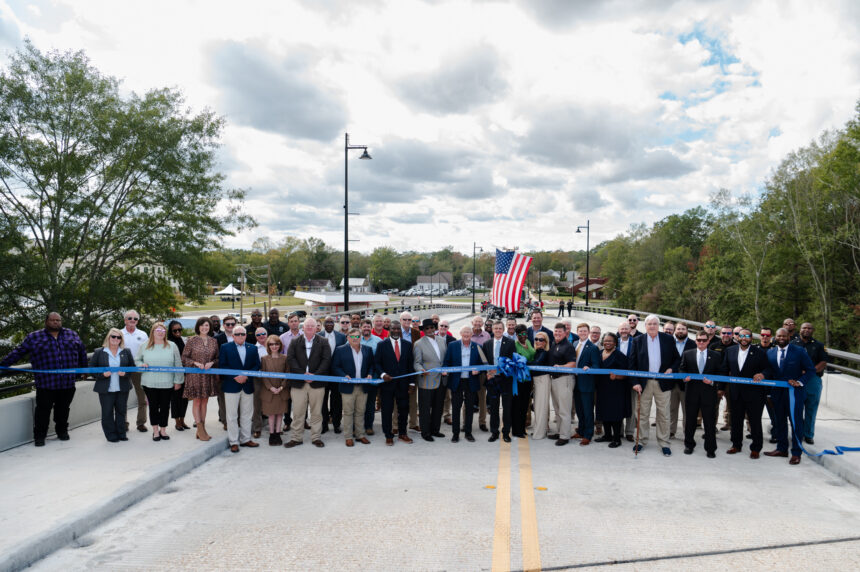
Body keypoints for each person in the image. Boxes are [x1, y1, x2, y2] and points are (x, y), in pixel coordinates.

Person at [1, 312, 88, 446]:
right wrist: (3, 365)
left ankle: (62, 432)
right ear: (46, 321)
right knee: (42, 411)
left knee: (63, 410)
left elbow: (82, 352)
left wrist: (84, 370)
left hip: (67, 382)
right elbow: (18, 352)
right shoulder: (34, 337)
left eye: (58, 320)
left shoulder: (72, 334)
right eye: (52, 320)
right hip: (45, 383)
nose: (55, 322)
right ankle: (40, 437)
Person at [629, 315, 679, 456]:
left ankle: (664, 443)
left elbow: (677, 359)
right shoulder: (638, 341)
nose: (652, 326)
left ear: (659, 325)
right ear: (645, 326)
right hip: (643, 384)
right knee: (642, 414)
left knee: (663, 414)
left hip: (662, 383)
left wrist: (671, 369)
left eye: (655, 324)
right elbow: (632, 364)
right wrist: (636, 382)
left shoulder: (668, 339)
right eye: (649, 324)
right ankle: (640, 441)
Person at [766, 328, 816, 465]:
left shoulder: (799, 351)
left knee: (796, 423)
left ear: (789, 337)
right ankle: (782, 449)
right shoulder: (770, 352)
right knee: (780, 421)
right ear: (775, 337)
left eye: (784, 336)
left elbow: (811, 370)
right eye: (779, 336)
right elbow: (770, 371)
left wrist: (799, 382)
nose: (781, 338)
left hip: (795, 394)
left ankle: (796, 453)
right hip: (777, 394)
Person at [724, 328, 772, 458]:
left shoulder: (760, 353)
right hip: (735, 393)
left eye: (747, 336)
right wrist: (721, 388)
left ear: (751, 338)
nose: (744, 338)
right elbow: (724, 370)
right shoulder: (729, 351)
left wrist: (762, 374)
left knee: (755, 421)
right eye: (742, 335)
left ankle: (756, 448)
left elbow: (768, 369)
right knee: (736, 421)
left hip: (755, 394)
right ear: (737, 337)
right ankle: (736, 445)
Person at [284, 317, 332, 448]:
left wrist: (315, 375)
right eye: (307, 326)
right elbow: (290, 359)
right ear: (303, 328)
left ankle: (316, 437)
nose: (310, 328)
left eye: (313, 326)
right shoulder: (294, 342)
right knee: (298, 412)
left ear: (317, 328)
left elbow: (326, 360)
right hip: (299, 383)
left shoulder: (323, 341)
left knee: (316, 412)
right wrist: (302, 374)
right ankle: (296, 438)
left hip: (317, 383)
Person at [680, 333, 728, 458]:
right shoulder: (687, 354)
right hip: (691, 392)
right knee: (690, 421)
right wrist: (685, 378)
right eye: (699, 340)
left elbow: (722, 373)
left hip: (709, 393)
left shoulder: (716, 355)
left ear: (708, 342)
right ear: (695, 341)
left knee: (709, 422)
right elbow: (682, 369)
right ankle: (689, 445)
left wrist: (712, 382)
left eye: (704, 340)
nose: (701, 342)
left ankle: (711, 449)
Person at [137, 322, 184, 442]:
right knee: (153, 407)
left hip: (167, 383)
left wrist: (178, 380)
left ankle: (163, 429)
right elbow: (137, 360)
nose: (160, 333)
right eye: (157, 330)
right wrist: (141, 364)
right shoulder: (145, 345)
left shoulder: (172, 345)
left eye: (163, 331)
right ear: (152, 332)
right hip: (149, 383)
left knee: (164, 407)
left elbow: (178, 364)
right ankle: (155, 430)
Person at [218, 326, 261, 453]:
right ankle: (234, 442)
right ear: (233, 336)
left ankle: (246, 439)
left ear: (246, 335)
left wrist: (246, 376)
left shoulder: (253, 348)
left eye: (243, 334)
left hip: (247, 385)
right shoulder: (225, 347)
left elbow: (256, 365)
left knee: (247, 415)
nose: (240, 336)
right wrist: (236, 377)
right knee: (231, 416)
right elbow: (222, 365)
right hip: (231, 385)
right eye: (237, 334)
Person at [331, 328, 375, 447]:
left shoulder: (368, 349)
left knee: (360, 412)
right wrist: (343, 375)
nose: (355, 339)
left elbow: (371, 365)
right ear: (348, 338)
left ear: (360, 337)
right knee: (348, 412)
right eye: (353, 337)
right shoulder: (340, 350)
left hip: (363, 386)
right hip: (347, 386)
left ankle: (360, 435)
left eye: (357, 336)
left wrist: (370, 374)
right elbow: (335, 366)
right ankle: (348, 436)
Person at [90, 328, 135, 442]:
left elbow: (132, 368)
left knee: (121, 411)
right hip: (106, 389)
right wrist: (102, 374)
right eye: (113, 337)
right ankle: (111, 435)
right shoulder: (99, 352)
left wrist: (126, 373)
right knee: (107, 412)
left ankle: (121, 433)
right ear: (108, 338)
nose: (115, 339)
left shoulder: (126, 351)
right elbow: (91, 369)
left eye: (118, 337)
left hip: (122, 387)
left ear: (121, 339)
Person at [375, 321, 414, 445]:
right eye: (394, 329)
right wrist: (382, 374)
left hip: (403, 385)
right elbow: (377, 363)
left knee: (403, 410)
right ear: (390, 330)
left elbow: (410, 365)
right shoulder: (382, 345)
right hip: (387, 384)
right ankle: (388, 435)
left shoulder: (408, 345)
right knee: (387, 410)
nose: (396, 331)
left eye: (398, 329)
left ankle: (403, 433)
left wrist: (412, 383)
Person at [181, 317, 220, 441]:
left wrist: (212, 363)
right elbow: (184, 358)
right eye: (202, 325)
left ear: (210, 327)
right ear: (198, 327)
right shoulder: (191, 340)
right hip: (195, 376)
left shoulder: (214, 341)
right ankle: (200, 428)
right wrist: (195, 363)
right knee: (197, 401)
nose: (205, 328)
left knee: (205, 402)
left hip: (208, 376)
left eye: (207, 326)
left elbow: (218, 358)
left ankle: (201, 428)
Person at [443, 325, 483, 443]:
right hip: (457, 381)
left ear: (471, 335)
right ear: (460, 333)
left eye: (468, 332)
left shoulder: (478, 347)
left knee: (470, 408)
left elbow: (482, 364)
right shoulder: (452, 346)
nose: (466, 334)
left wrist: (479, 370)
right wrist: (445, 370)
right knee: (456, 408)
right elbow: (446, 362)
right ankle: (455, 434)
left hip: (471, 381)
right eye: (464, 332)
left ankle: (468, 432)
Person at [413, 318, 447, 442]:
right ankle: (425, 432)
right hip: (426, 380)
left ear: (435, 328)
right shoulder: (419, 344)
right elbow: (417, 362)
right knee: (425, 408)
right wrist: (421, 369)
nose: (430, 330)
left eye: (432, 327)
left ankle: (435, 430)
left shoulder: (441, 341)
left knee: (438, 406)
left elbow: (445, 359)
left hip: (441, 379)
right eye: (427, 328)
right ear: (424, 330)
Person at [793, 322, 828, 445]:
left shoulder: (818, 345)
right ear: (800, 329)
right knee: (796, 407)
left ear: (813, 330)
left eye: (809, 328)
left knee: (811, 408)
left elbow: (823, 362)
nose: (806, 330)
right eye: (804, 328)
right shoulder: (793, 344)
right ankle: (797, 433)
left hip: (813, 379)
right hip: (796, 379)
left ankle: (808, 434)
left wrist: (810, 371)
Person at [594, 332, 629, 448]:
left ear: (615, 343)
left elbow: (626, 374)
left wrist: (617, 376)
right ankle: (607, 435)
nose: (607, 343)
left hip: (616, 389)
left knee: (615, 413)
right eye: (606, 340)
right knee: (604, 412)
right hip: (602, 388)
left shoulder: (620, 356)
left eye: (610, 341)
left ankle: (617, 438)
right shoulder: (598, 353)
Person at [484, 321, 516, 442]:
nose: (497, 330)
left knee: (507, 407)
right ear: (492, 329)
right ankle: (494, 432)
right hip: (492, 380)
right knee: (494, 407)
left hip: (505, 380)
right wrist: (487, 373)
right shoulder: (487, 343)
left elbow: (512, 361)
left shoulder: (510, 343)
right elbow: (485, 362)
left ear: (503, 330)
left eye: (499, 328)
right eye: (495, 328)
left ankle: (506, 433)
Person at [546, 324, 577, 446]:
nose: (557, 333)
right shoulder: (554, 344)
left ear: (565, 333)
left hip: (565, 379)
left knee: (564, 409)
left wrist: (561, 367)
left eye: (560, 332)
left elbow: (573, 364)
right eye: (555, 331)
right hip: (555, 379)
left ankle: (565, 436)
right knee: (557, 409)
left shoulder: (568, 346)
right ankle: (560, 432)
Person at [121, 310, 149, 433]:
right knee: (122, 398)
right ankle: (123, 423)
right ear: (125, 320)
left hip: (139, 368)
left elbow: (148, 351)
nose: (132, 320)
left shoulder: (143, 334)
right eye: (130, 318)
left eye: (135, 319)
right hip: (123, 369)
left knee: (142, 398)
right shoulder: (119, 334)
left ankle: (141, 423)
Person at [573, 323, 600, 446]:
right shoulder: (574, 344)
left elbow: (596, 365)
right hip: (575, 383)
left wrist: (588, 367)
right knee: (579, 409)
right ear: (577, 332)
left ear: (588, 332)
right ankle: (581, 430)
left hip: (587, 383)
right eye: (580, 331)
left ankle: (588, 435)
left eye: (585, 331)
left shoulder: (593, 348)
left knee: (588, 410)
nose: (582, 333)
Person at [260, 335, 289, 445]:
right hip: (269, 391)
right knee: (271, 414)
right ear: (268, 346)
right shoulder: (264, 359)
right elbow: (263, 375)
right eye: (271, 344)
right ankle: (272, 434)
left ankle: (278, 433)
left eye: (276, 344)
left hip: (282, 391)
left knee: (280, 413)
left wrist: (281, 387)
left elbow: (287, 374)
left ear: (280, 345)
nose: (274, 346)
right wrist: (271, 388)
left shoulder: (285, 358)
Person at [320, 316, 347, 434]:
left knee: (337, 400)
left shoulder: (341, 337)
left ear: (334, 324)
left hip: (337, 374)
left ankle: (337, 424)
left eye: (331, 322)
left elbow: (344, 354)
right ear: (323, 324)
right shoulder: (318, 336)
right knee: (323, 400)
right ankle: (324, 424)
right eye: (327, 322)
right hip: (322, 374)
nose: (329, 324)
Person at [669, 322, 695, 439]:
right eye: (678, 329)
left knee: (687, 411)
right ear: (675, 330)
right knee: (671, 409)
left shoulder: (693, 344)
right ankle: (671, 431)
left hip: (687, 384)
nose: (680, 331)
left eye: (683, 329)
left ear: (687, 331)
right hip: (671, 383)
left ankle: (687, 433)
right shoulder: (668, 342)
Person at [358, 319, 383, 435]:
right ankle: (357, 426)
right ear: (360, 328)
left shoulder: (378, 341)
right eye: (364, 327)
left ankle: (369, 426)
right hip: (357, 378)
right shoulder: (354, 339)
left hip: (372, 377)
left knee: (370, 404)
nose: (366, 329)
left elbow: (380, 360)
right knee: (358, 404)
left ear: (371, 328)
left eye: (368, 327)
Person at [213, 316, 238, 431]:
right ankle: (225, 421)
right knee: (223, 400)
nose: (230, 326)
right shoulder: (217, 339)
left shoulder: (240, 336)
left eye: (232, 324)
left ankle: (235, 420)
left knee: (237, 399)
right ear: (224, 325)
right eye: (228, 324)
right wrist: (217, 374)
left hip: (238, 374)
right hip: (222, 374)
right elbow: (215, 357)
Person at [166, 320, 191, 431]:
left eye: (179, 329)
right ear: (171, 331)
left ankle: (182, 420)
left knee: (184, 399)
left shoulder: (183, 340)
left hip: (185, 374)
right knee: (175, 399)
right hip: (174, 375)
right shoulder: (168, 343)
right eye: (175, 330)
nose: (177, 332)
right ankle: (177, 422)